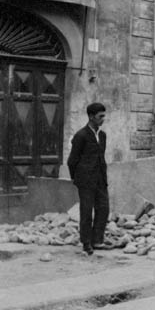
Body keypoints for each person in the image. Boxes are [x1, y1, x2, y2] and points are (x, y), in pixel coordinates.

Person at [67, 102, 110, 255]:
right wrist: (76, 178)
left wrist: (103, 176)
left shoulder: (103, 135)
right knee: (86, 211)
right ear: (91, 117)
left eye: (104, 116)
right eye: (100, 116)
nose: (103, 119)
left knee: (104, 208)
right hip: (85, 180)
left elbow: (101, 157)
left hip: (100, 179)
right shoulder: (81, 136)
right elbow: (72, 161)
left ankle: (97, 240)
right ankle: (86, 243)